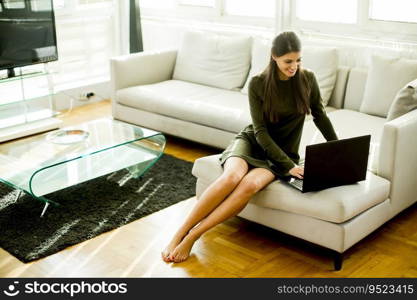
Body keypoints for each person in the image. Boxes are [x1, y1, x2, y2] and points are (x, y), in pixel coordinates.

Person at [161, 31, 338, 263]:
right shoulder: (258, 83)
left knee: (250, 184)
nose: (294, 66)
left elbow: (320, 116)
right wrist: (288, 166)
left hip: (283, 152)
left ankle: (193, 235)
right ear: (274, 56)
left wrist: (336, 148)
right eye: (288, 61)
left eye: (298, 60)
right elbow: (260, 132)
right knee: (232, 177)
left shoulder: (308, 79)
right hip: (253, 141)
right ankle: (179, 233)